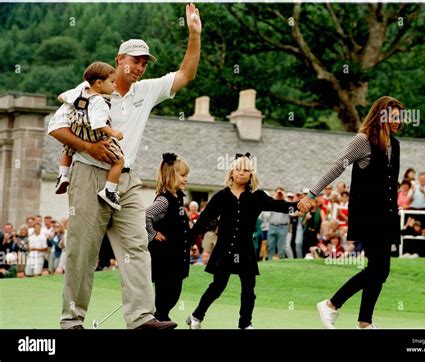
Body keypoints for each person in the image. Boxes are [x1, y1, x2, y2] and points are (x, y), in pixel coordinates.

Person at [48, 3, 201, 330]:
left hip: (127, 180)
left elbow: (187, 74)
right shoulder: (87, 90)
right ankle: (71, 321)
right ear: (119, 60)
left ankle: (141, 318)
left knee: (136, 247)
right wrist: (89, 146)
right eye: (135, 61)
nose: (140, 67)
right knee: (83, 253)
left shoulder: (146, 91)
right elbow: (56, 128)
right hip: (88, 174)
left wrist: (194, 34)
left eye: (144, 63)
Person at [298, 96, 404, 329]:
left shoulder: (395, 145)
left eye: (400, 117)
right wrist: (311, 194)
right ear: (381, 116)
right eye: (394, 117)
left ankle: (365, 321)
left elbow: (390, 184)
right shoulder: (362, 140)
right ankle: (331, 305)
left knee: (381, 271)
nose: (398, 121)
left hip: (387, 217)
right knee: (377, 268)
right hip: (368, 215)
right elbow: (337, 167)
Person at [186, 153, 296, 329]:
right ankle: (196, 316)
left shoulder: (257, 197)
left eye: (246, 170)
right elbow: (203, 221)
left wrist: (299, 205)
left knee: (248, 290)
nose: (242, 173)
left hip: (246, 251)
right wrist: (188, 241)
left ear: (251, 174)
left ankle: (245, 324)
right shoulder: (221, 196)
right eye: (238, 169)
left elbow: (280, 205)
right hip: (224, 250)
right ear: (231, 173)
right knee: (218, 286)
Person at [54, 62, 125, 210]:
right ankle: (110, 190)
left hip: (77, 131)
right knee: (119, 161)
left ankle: (62, 174)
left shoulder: (79, 94)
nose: (114, 85)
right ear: (99, 83)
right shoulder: (99, 101)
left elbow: (61, 97)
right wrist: (113, 133)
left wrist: (65, 99)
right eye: (112, 82)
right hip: (94, 136)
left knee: (68, 147)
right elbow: (98, 123)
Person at [145, 153, 191, 324]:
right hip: (165, 259)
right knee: (166, 294)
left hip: (177, 258)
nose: (186, 179)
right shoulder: (164, 200)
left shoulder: (178, 199)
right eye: (183, 175)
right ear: (171, 175)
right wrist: (153, 234)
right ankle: (160, 319)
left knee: (174, 293)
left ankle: (161, 317)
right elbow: (145, 215)